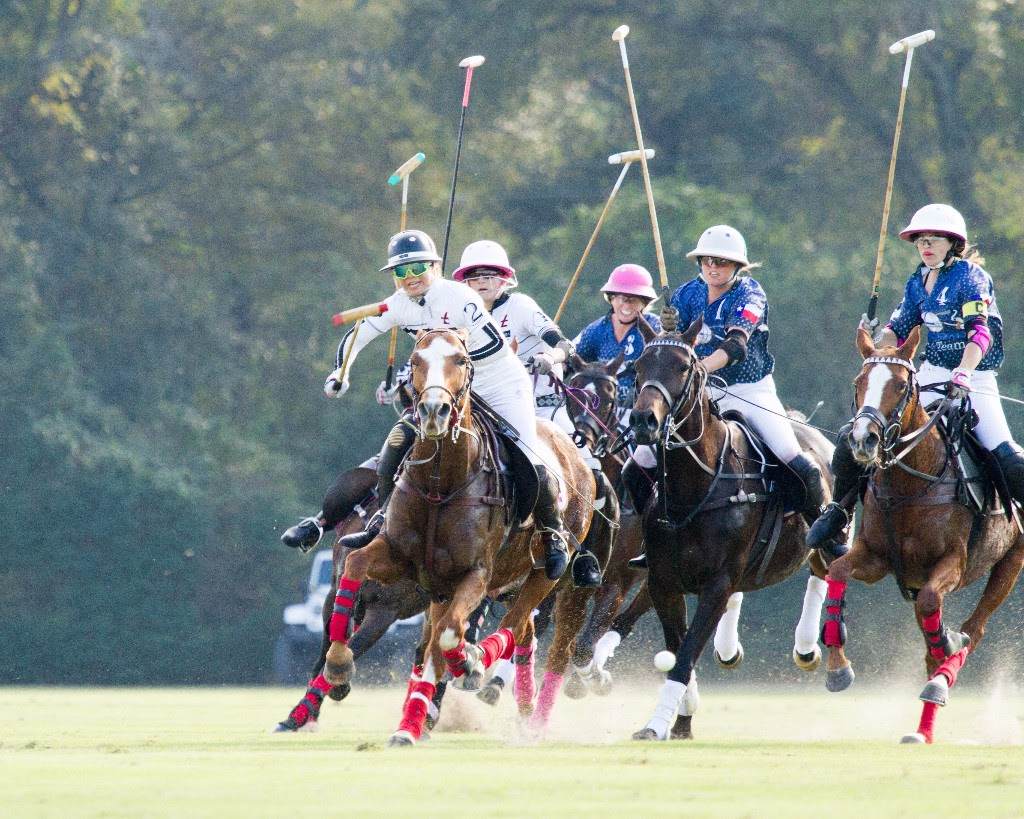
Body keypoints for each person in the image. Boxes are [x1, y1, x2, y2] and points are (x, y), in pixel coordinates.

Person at [318, 228, 574, 581]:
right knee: (397, 442)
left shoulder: (459, 297)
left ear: (436, 267)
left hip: (497, 382)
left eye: (418, 267)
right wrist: (340, 373)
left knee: (529, 453)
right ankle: (380, 519)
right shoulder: (396, 305)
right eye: (401, 271)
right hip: (446, 387)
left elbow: (490, 347)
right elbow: (358, 334)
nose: (410, 278)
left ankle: (553, 533)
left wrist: (441, 342)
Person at [808, 203, 1024, 549]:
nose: (925, 245)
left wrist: (964, 374)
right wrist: (877, 339)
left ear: (953, 243)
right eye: (921, 239)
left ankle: (1010, 531)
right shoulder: (917, 281)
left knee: (1009, 459)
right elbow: (898, 330)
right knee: (861, 434)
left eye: (934, 239)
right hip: (929, 373)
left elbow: (980, 333)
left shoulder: (971, 277)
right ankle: (840, 511)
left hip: (975, 376)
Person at [452, 239, 602, 587]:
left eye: (492, 274)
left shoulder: (520, 307)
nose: (483, 281)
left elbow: (564, 344)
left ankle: (574, 546)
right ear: (465, 282)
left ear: (505, 280)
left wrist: (550, 358)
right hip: (481, 411)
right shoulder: (458, 315)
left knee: (587, 466)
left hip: (540, 408)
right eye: (475, 276)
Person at [654, 224, 826, 522]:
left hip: (749, 389)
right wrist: (666, 329)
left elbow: (735, 346)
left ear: (737, 266)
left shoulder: (749, 293)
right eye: (707, 260)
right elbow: (671, 347)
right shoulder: (686, 294)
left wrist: (698, 369)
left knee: (793, 458)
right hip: (699, 393)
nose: (713, 267)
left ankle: (825, 530)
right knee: (641, 460)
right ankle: (649, 535)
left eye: (721, 262)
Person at [573, 264, 663, 558]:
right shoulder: (596, 331)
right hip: (598, 414)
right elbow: (574, 359)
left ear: (645, 303)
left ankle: (651, 524)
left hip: (639, 413)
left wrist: (671, 331)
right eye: (621, 298)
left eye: (634, 299)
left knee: (652, 465)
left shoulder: (651, 330)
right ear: (611, 298)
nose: (627, 304)